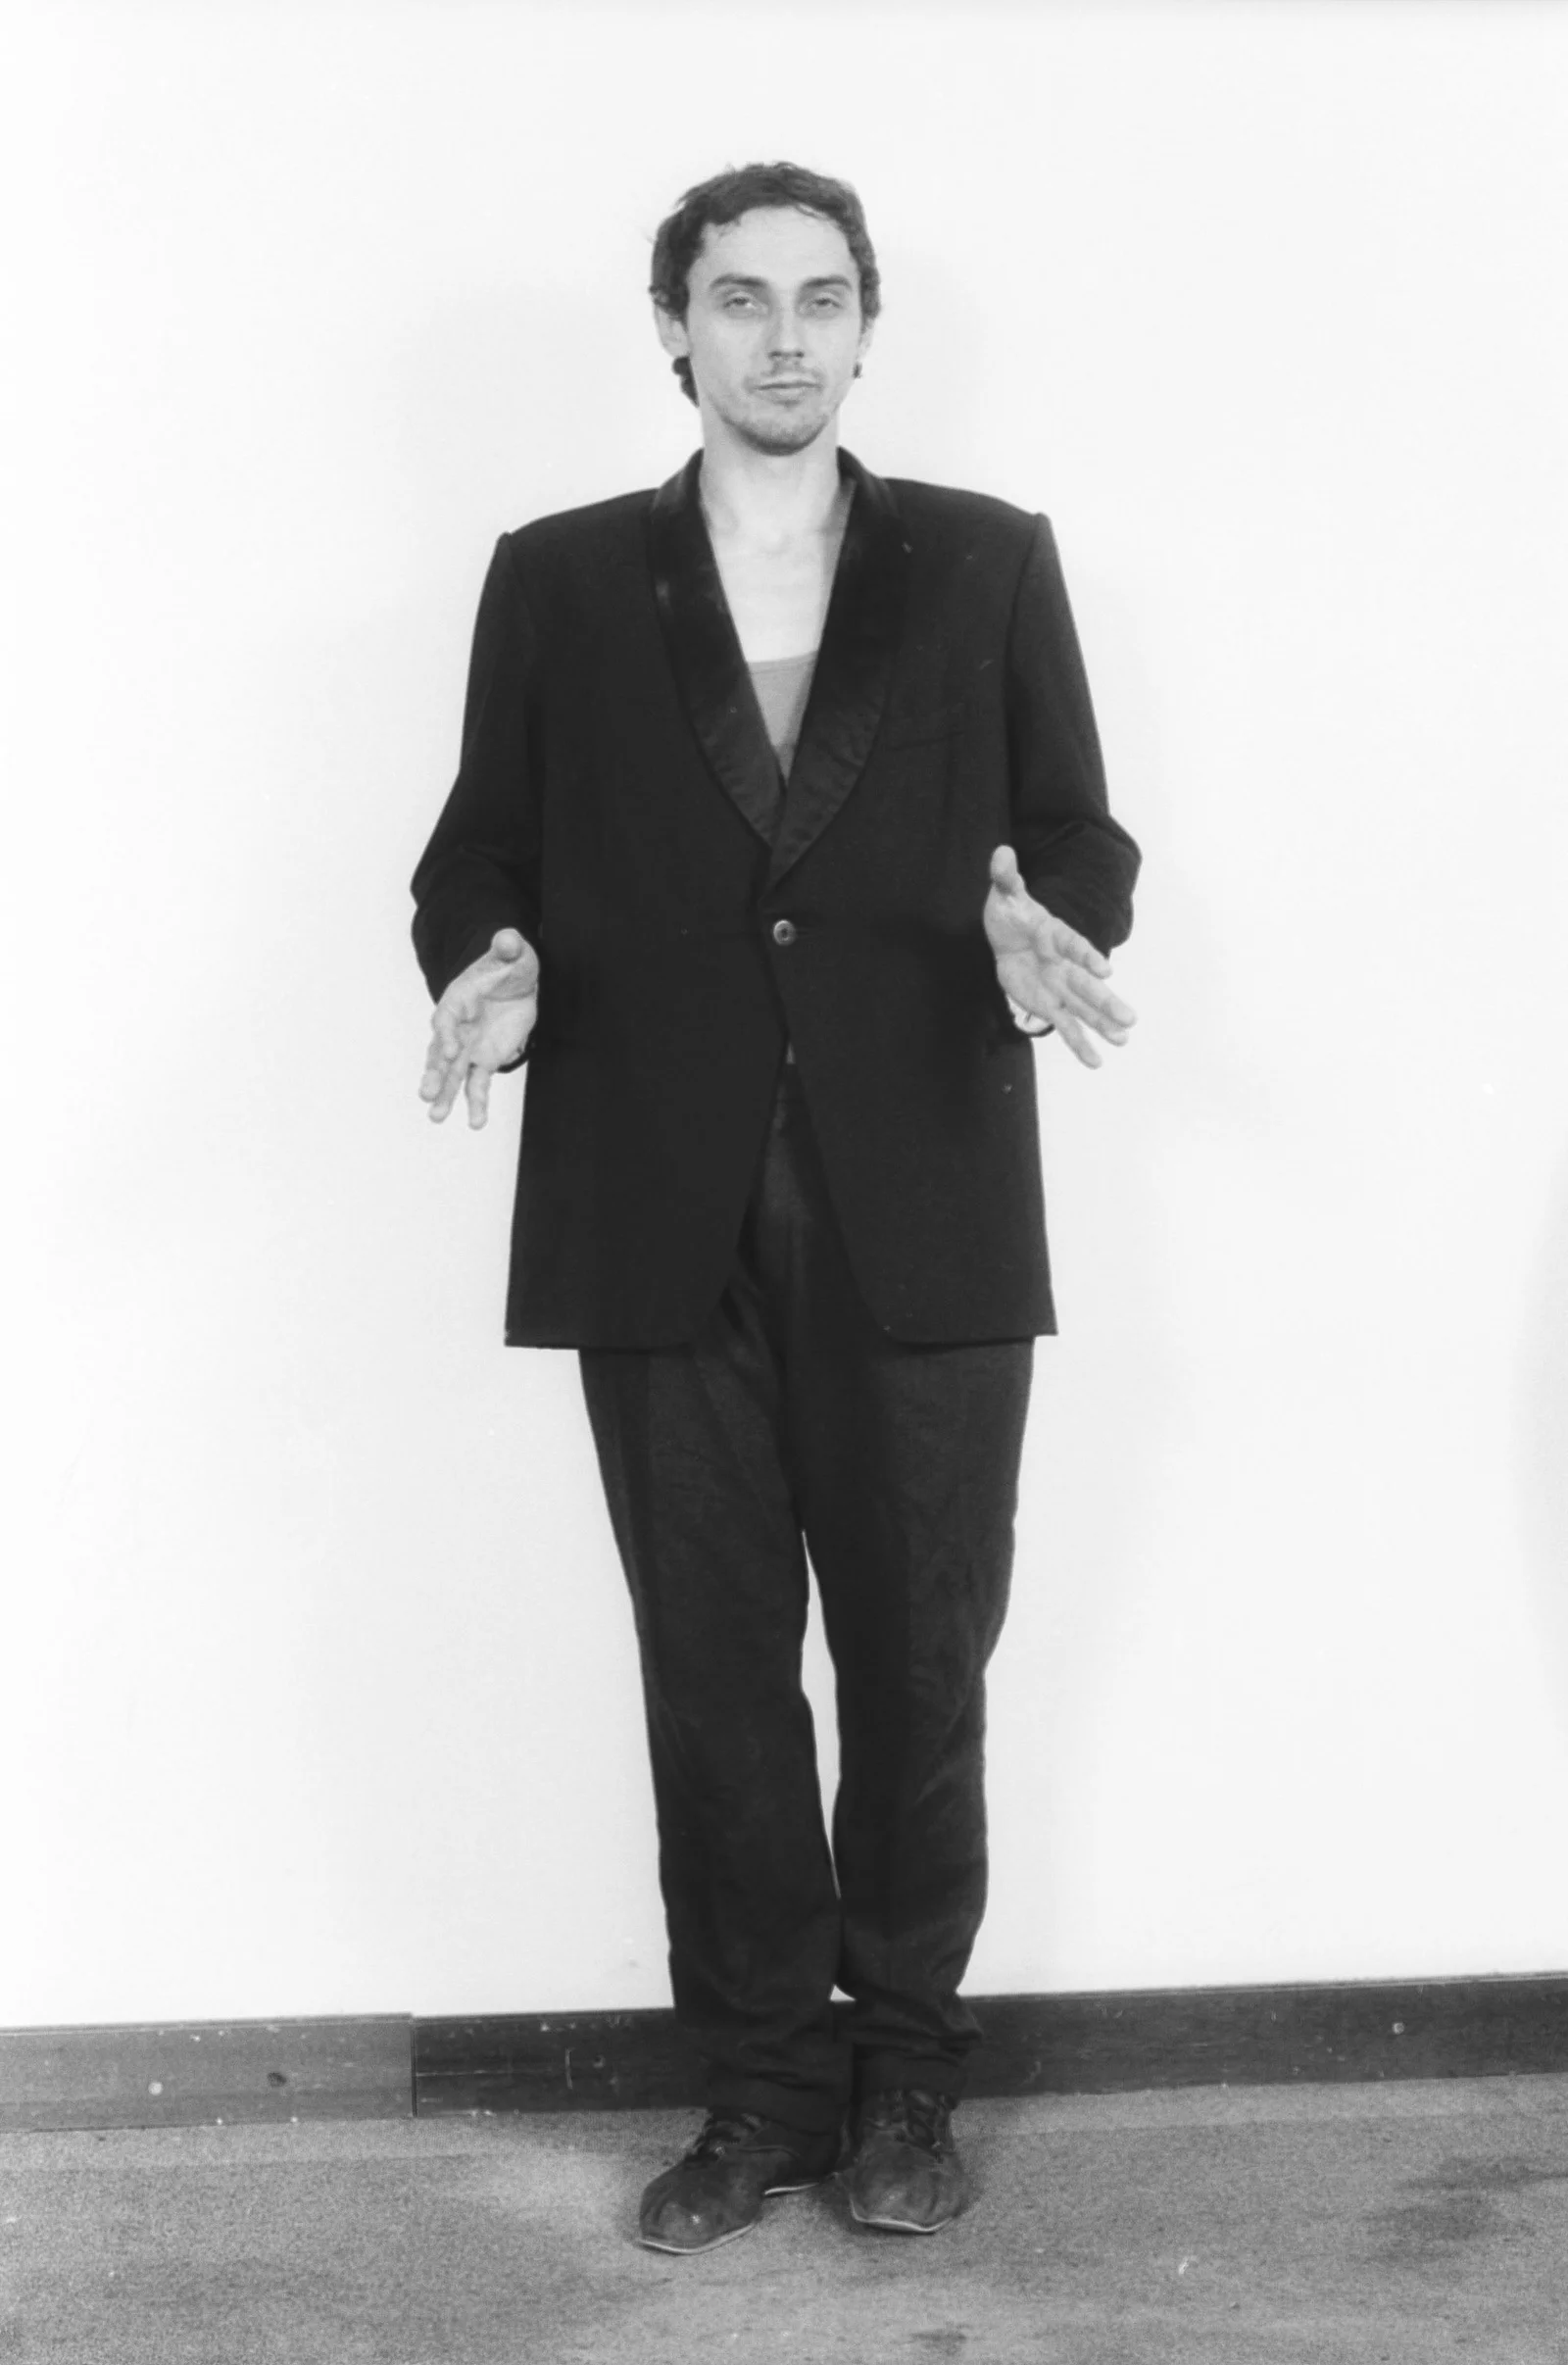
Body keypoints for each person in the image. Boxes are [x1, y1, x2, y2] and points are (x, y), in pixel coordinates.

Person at [411, 161, 1140, 2254]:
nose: (784, 336)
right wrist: (488, 963)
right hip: (656, 1198)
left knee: (920, 1666)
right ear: (674, 328)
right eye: (739, 298)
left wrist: (1047, 927)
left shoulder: (983, 562)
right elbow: (477, 854)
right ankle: (757, 2096)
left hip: (924, 1192)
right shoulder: (560, 579)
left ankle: (904, 2079)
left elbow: (1076, 833)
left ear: (865, 324)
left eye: (821, 298)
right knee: (713, 1675)